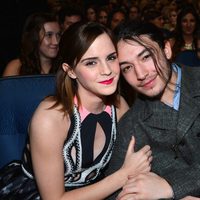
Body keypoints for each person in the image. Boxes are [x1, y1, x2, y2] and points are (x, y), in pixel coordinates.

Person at [0, 22, 152, 200]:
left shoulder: (119, 105)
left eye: (111, 58)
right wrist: (123, 176)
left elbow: (138, 158)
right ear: (70, 71)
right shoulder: (50, 119)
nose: (107, 70)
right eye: (91, 63)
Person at [106, 20, 200, 199]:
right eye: (127, 68)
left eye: (146, 56)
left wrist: (169, 187)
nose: (140, 74)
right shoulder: (131, 125)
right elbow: (116, 194)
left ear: (167, 50)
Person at [3, 12, 61, 76]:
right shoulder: (16, 67)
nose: (56, 42)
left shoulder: (64, 68)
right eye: (49, 35)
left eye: (58, 35)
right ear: (34, 37)